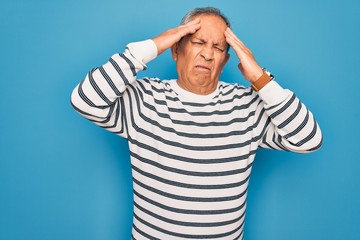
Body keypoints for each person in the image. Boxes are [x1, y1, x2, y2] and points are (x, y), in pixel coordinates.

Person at [71, 7, 322, 240]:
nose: (208, 54)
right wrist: (152, 46)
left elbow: (308, 139)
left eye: (218, 47)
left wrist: (259, 77)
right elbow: (85, 100)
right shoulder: (144, 98)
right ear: (176, 50)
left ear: (225, 62)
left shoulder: (247, 104)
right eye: (198, 42)